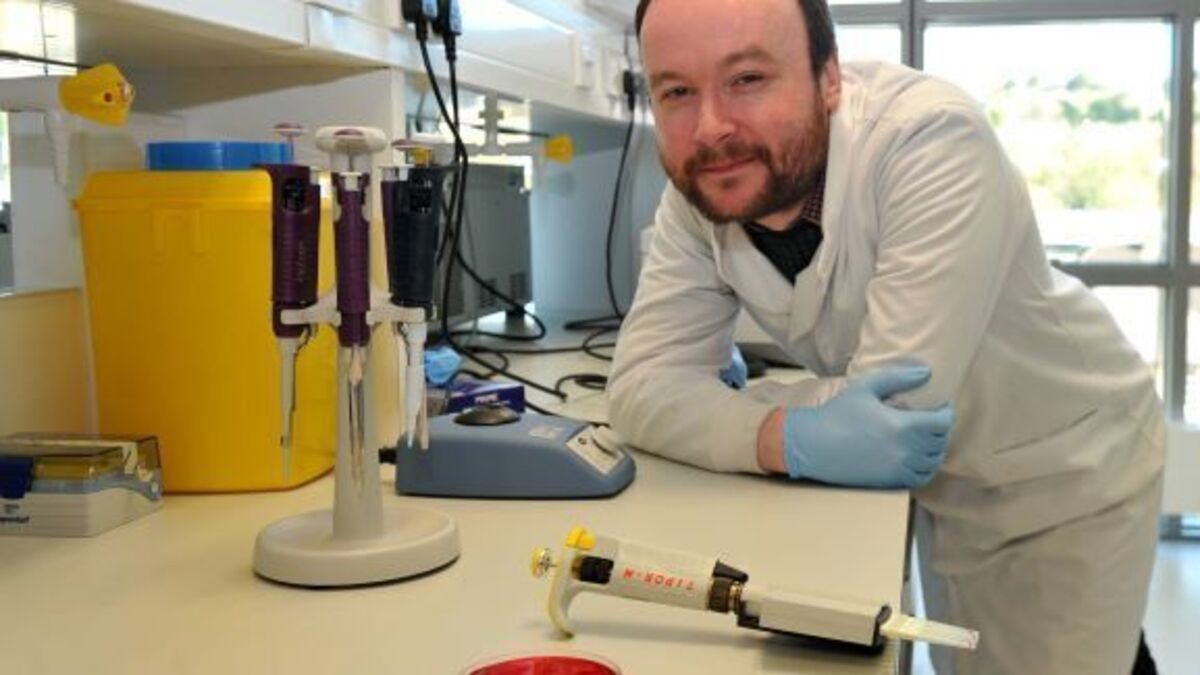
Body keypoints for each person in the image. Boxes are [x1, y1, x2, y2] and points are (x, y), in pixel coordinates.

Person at [607, 1, 1166, 673]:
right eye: (676, 92)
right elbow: (636, 389)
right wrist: (783, 434)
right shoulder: (700, 194)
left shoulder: (931, 140)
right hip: (943, 486)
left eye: (747, 79)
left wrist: (709, 408)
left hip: (1061, 471)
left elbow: (897, 411)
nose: (711, 128)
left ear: (829, 78)